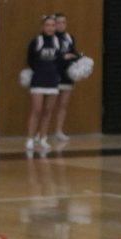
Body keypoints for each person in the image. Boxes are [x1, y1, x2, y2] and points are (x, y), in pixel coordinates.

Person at [23, 16, 62, 153]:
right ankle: (30, 138)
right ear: (42, 27)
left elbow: (59, 60)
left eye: (52, 25)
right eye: (47, 25)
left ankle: (43, 137)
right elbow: (30, 60)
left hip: (52, 80)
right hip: (38, 80)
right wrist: (40, 70)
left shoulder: (57, 41)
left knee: (48, 111)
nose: (50, 28)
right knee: (37, 110)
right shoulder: (36, 41)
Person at [52, 13, 79, 144]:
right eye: (58, 22)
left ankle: (59, 130)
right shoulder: (50, 38)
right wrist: (63, 57)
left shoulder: (69, 37)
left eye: (63, 22)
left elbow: (74, 52)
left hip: (67, 75)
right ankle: (41, 133)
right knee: (49, 105)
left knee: (63, 105)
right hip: (54, 75)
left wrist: (78, 57)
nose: (61, 25)